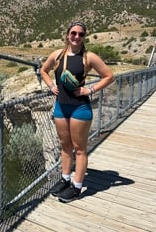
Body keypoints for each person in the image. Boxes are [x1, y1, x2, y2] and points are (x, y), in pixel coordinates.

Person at [40, 20, 114, 203]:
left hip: (80, 108)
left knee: (79, 149)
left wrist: (90, 90)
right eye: (74, 33)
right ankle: (65, 180)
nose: (77, 37)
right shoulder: (57, 55)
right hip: (61, 106)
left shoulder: (89, 57)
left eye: (81, 34)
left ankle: (77, 186)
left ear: (84, 37)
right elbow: (43, 70)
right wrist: (50, 85)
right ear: (67, 35)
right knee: (65, 147)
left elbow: (109, 76)